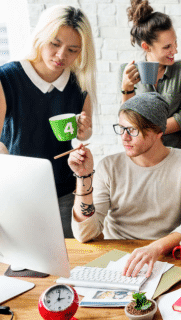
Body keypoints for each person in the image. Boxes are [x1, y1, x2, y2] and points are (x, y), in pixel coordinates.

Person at [68, 92, 181, 277]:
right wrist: (83, 177)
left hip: (165, 256)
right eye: (121, 128)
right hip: (118, 260)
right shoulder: (109, 166)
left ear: (158, 131)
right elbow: (85, 234)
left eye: (132, 130)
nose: (124, 137)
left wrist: (155, 248)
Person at [0, 5, 96, 238]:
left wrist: (84, 133)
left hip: (63, 191)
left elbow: (85, 133)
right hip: (18, 192)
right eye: (55, 44)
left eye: (73, 50)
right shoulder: (8, 77)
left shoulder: (79, 84)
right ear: (41, 36)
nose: (62, 55)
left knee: (69, 260)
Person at [119, 0, 181, 149]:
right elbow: (128, 121)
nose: (175, 51)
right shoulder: (127, 72)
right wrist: (127, 87)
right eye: (167, 47)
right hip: (142, 154)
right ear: (146, 47)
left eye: (175, 43)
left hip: (175, 153)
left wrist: (146, 129)